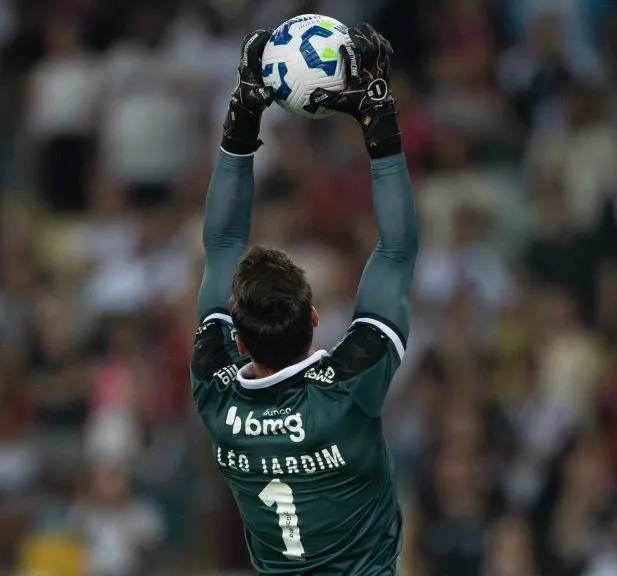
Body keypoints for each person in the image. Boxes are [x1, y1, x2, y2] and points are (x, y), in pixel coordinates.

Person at [190, 23, 417, 575]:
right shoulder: (346, 390)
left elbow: (221, 246)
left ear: (237, 339)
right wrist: (378, 121)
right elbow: (395, 249)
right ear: (315, 320)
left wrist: (240, 121)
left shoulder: (215, 393)